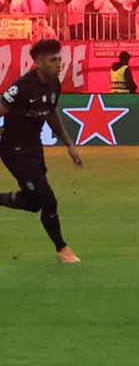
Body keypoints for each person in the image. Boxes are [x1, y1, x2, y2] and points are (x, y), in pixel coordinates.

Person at [0, 38, 83, 264]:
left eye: (60, 59)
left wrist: (69, 144)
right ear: (38, 62)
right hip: (13, 150)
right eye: (53, 60)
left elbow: (50, 113)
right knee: (48, 200)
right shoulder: (22, 87)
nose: (59, 64)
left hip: (34, 149)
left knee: (34, 202)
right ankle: (62, 248)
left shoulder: (55, 84)